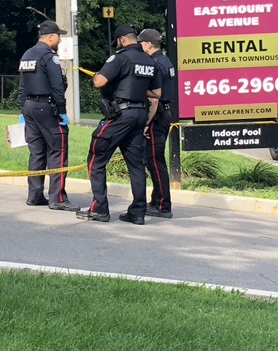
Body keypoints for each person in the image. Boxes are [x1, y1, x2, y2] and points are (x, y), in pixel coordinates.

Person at [77, 24, 161, 224]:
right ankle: (137, 212)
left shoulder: (120, 57)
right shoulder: (149, 61)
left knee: (96, 159)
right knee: (136, 165)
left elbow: (99, 82)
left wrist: (102, 77)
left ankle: (99, 209)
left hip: (120, 116)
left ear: (123, 40)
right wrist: (136, 90)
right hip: (140, 115)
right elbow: (157, 93)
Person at [17, 20, 79, 211]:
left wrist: (22, 110)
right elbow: (57, 87)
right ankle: (58, 199)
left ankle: (34, 195)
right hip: (47, 107)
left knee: (36, 152)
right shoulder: (49, 56)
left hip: (29, 107)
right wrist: (61, 112)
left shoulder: (27, 54)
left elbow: (22, 86)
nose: (60, 40)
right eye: (58, 36)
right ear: (51, 37)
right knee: (58, 150)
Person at [138, 28, 175, 218]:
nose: (139, 46)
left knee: (155, 161)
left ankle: (163, 205)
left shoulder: (154, 64)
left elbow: (155, 98)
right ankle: (156, 199)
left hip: (157, 116)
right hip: (164, 114)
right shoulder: (165, 60)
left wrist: (146, 124)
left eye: (141, 43)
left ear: (149, 44)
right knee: (153, 160)